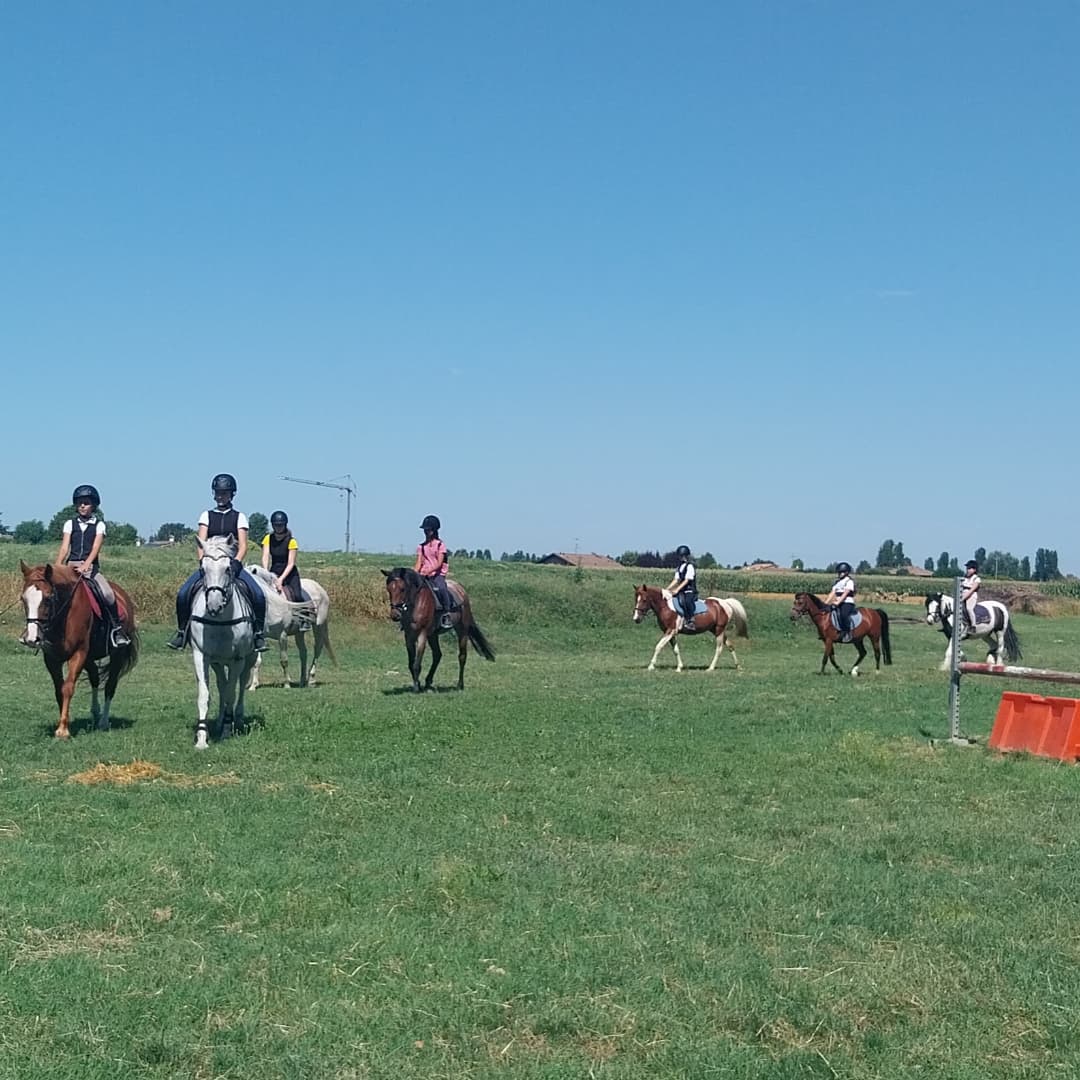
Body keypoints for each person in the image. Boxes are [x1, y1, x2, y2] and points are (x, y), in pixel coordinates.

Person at [167, 473, 268, 651]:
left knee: (258, 595)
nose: (220, 496)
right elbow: (201, 541)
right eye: (218, 493)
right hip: (209, 565)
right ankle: (182, 632)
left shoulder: (240, 517)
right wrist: (202, 561)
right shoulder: (206, 516)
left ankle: (258, 634)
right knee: (183, 594)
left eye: (224, 493)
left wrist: (236, 562)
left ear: (232, 494)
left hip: (231, 565)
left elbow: (243, 545)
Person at [56, 484, 131, 648]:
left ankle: (117, 630)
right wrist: (58, 565)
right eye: (80, 502)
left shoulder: (99, 525)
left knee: (107, 594)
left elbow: (96, 548)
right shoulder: (70, 524)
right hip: (71, 567)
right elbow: (64, 547)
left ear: (94, 505)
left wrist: (87, 565)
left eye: (86, 502)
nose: (82, 505)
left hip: (90, 568)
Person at [261, 510, 310, 631]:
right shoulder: (268, 538)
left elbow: (291, 563)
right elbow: (265, 556)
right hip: (274, 571)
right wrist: (266, 573)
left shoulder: (291, 541)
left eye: (281, 525)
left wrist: (281, 579)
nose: (278, 527)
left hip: (290, 573)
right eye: (276, 525)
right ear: (272, 525)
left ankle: (305, 620)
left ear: (285, 525)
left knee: (298, 595)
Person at [414, 514, 455, 629]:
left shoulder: (440, 545)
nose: (426, 532)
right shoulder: (421, 547)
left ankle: (447, 613)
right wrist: (414, 573)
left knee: (442, 588)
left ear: (434, 530)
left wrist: (429, 571)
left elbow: (439, 563)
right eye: (425, 530)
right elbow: (419, 562)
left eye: (428, 530)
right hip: (423, 575)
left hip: (437, 575)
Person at [667, 545, 698, 631]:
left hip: (690, 590)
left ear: (686, 556)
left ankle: (691, 621)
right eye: (680, 556)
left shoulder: (690, 566)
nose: (680, 558)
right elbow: (676, 580)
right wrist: (667, 589)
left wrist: (677, 589)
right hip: (682, 590)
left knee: (686, 601)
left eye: (682, 556)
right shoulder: (679, 567)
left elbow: (687, 580)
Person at [828, 561, 857, 637]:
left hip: (847, 602)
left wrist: (838, 602)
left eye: (842, 572)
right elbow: (832, 593)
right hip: (837, 602)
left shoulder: (849, 581)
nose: (840, 574)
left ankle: (847, 631)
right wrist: (825, 603)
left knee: (843, 615)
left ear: (847, 572)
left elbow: (845, 593)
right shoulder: (837, 582)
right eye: (839, 572)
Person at [961, 559, 981, 634]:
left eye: (970, 568)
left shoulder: (977, 579)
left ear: (974, 569)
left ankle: (973, 626)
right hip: (962, 594)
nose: (968, 570)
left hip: (971, 596)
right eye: (967, 568)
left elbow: (971, 590)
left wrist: (963, 598)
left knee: (969, 609)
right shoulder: (964, 578)